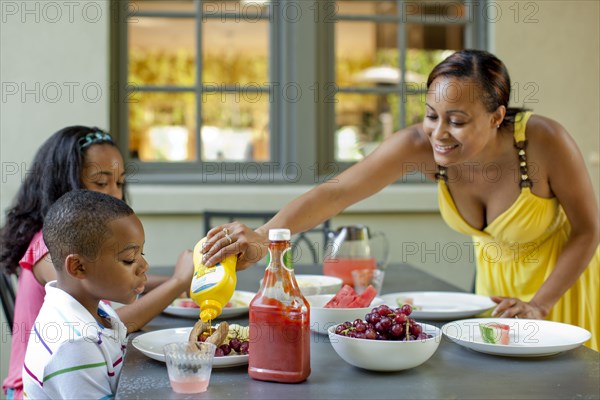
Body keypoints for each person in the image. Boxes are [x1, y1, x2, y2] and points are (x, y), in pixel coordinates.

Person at [200, 50, 599, 351]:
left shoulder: (544, 141)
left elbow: (588, 229)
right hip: (497, 300)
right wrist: (263, 236)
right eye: (431, 114)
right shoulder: (421, 146)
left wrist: (540, 305)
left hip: (562, 289)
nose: (439, 133)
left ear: (496, 117)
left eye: (457, 121)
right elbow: (337, 192)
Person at [0, 126, 193, 399]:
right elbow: (113, 326)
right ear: (64, 183)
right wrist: (178, 282)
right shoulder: (51, 250)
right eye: (101, 183)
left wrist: (183, 279)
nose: (114, 193)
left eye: (120, 182)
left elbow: (111, 288)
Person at [22, 189, 147, 398]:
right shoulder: (76, 344)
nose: (144, 266)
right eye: (129, 259)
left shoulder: (99, 313)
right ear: (78, 267)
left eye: (141, 253)